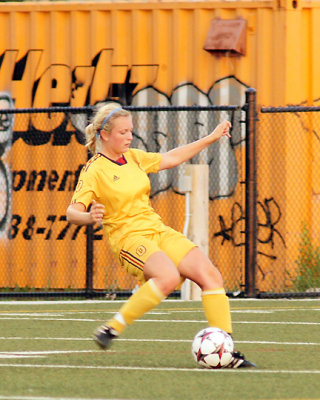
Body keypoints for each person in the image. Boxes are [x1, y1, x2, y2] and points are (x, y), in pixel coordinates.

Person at [66, 102, 256, 368]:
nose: (129, 137)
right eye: (123, 132)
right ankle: (112, 328)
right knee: (167, 276)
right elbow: (72, 212)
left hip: (156, 229)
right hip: (128, 238)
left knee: (211, 276)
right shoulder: (94, 170)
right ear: (104, 134)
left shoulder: (133, 157)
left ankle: (226, 351)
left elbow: (172, 157)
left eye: (131, 131)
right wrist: (88, 217)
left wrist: (212, 137)